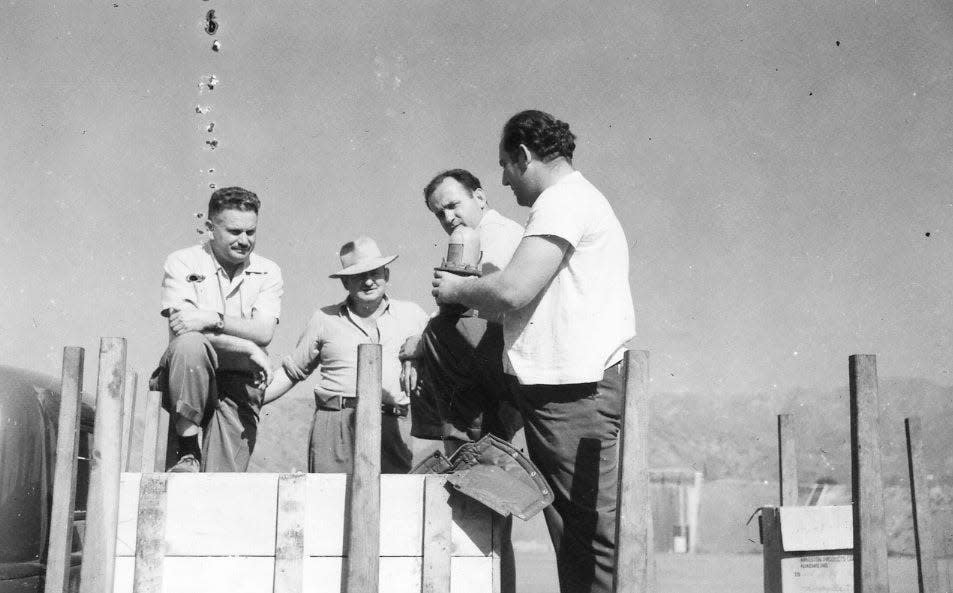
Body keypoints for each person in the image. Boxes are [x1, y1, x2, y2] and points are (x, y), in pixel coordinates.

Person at [431, 110, 636, 593]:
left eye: (505, 165)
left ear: (524, 155)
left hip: (575, 393)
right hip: (559, 391)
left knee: (588, 535)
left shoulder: (562, 202)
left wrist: (458, 289)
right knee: (575, 532)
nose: (503, 179)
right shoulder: (570, 201)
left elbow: (512, 291)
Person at [262, 237, 428, 473]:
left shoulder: (413, 315)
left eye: (375, 273)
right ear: (345, 283)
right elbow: (292, 372)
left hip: (392, 424)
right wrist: (248, 402)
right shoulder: (323, 319)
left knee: (394, 503)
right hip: (336, 424)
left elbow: (439, 347)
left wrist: (417, 347)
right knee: (328, 503)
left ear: (387, 274)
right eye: (359, 276)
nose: (369, 281)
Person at [150, 186, 283, 473]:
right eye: (234, 232)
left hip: (239, 383)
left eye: (251, 232)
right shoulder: (183, 261)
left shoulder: (268, 271)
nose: (244, 240)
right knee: (190, 346)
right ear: (210, 228)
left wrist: (213, 318)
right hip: (190, 375)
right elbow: (184, 332)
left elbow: (264, 332)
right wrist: (247, 347)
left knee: (223, 485)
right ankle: (188, 451)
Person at [400, 169, 524, 454]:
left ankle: (463, 439)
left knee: (439, 332)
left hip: (507, 359)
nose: (447, 218)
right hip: (494, 359)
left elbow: (482, 305)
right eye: (439, 213)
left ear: (479, 197)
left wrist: (420, 345)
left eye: (453, 206)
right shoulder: (472, 237)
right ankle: (458, 438)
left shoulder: (496, 234)